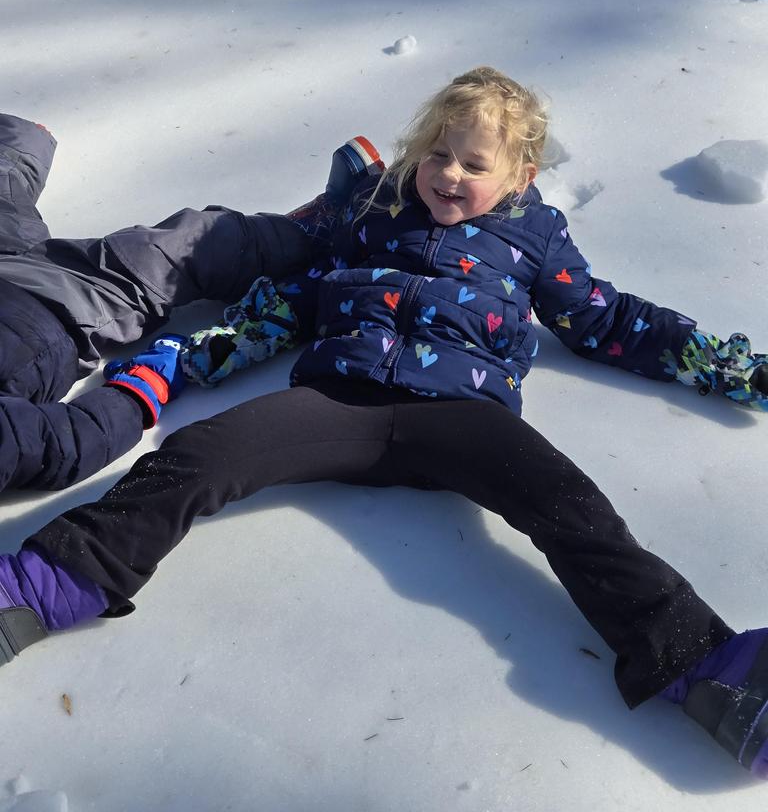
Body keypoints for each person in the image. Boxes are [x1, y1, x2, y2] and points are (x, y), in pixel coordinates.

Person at [1, 67, 766, 779]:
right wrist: (187, 363)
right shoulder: (377, 214)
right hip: (340, 401)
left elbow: (606, 320)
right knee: (198, 456)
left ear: (521, 177)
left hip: (463, 414)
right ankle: (47, 584)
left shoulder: (535, 238)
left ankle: (709, 670)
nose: (449, 174)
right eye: (438, 154)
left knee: (573, 508)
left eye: (474, 164)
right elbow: (296, 300)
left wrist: (726, 367)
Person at [0, 111, 382, 492]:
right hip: (47, 307)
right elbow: (65, 445)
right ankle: (307, 236)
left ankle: (17, 144)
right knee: (179, 250)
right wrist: (135, 395)